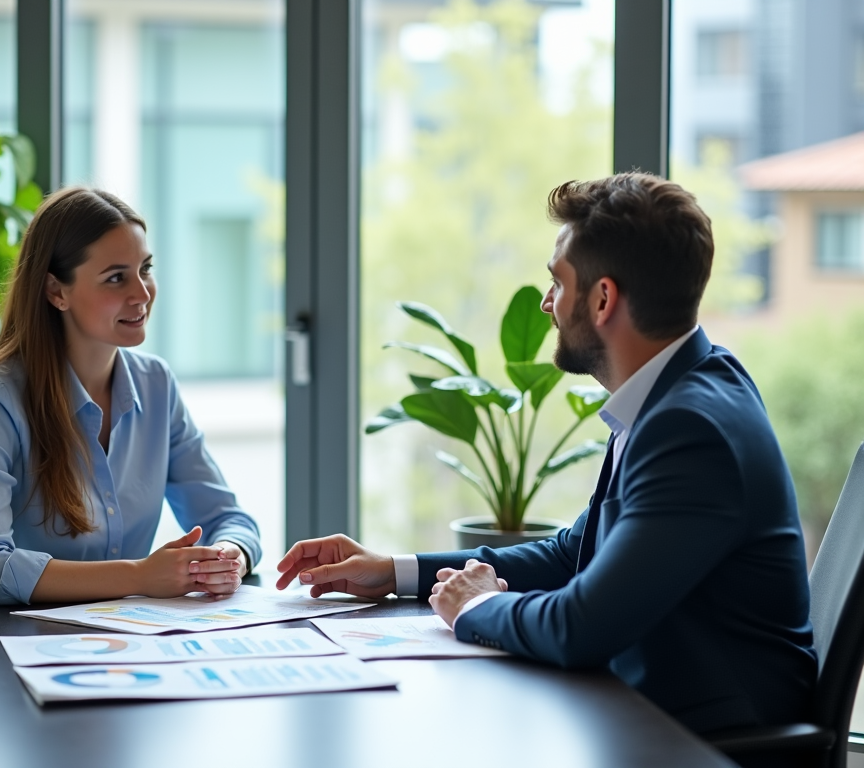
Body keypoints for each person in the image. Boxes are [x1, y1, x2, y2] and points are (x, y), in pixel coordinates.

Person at [276, 173, 817, 736]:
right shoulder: (675, 390)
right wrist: (394, 573)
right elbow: (574, 555)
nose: (546, 303)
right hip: (652, 714)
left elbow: (582, 626)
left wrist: (474, 608)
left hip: (707, 741)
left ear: (603, 298)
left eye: (558, 283)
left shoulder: (691, 426)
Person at [0, 187, 261, 606]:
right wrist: (139, 575)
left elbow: (228, 519)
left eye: (145, 269)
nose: (142, 294)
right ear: (57, 291)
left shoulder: (156, 385)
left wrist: (227, 558)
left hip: (112, 641)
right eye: (116, 278)